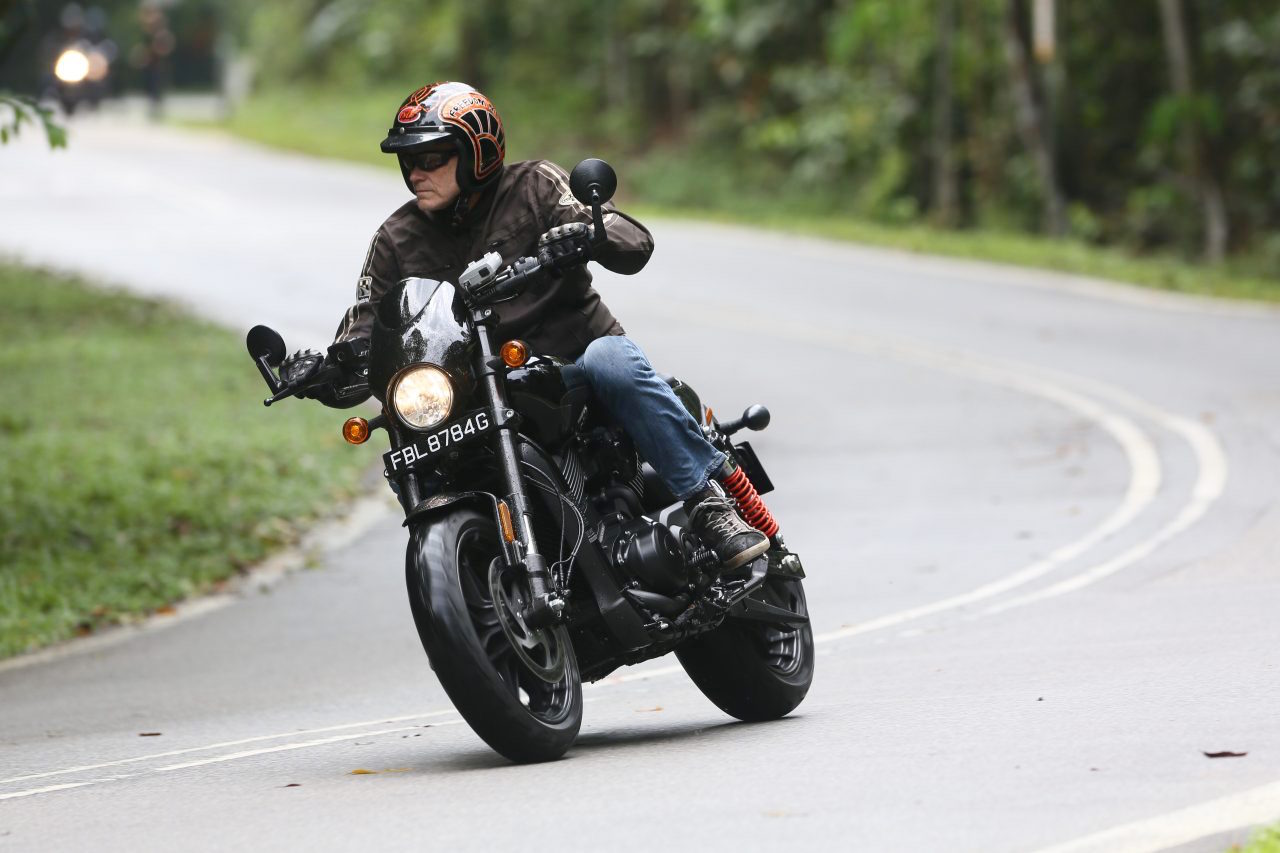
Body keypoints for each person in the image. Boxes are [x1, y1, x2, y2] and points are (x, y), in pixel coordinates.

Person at [284, 81, 767, 570]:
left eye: (431, 158)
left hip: (575, 363)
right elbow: (366, 332)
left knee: (611, 358)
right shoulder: (394, 239)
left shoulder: (534, 186)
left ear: (477, 153)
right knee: (409, 429)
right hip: (477, 394)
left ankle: (707, 505)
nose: (415, 172)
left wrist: (585, 233)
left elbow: (632, 241)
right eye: (408, 160)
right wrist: (322, 371)